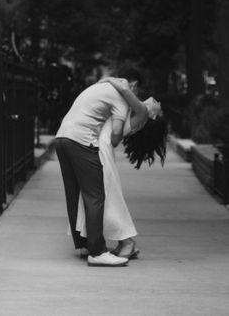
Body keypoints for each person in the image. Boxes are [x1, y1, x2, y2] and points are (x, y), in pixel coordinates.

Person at [55, 69, 141, 267]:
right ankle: (97, 252)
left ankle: (83, 244)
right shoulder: (120, 97)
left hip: (62, 137)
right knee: (95, 195)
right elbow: (116, 134)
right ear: (132, 85)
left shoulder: (99, 87)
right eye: (137, 89)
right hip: (81, 141)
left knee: (73, 193)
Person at [76, 77, 167, 258]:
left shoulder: (141, 110)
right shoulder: (137, 112)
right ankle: (122, 242)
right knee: (107, 196)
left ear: (153, 115)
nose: (158, 101)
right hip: (101, 148)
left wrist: (109, 79)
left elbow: (125, 90)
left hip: (101, 149)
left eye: (159, 105)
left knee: (108, 197)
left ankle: (127, 242)